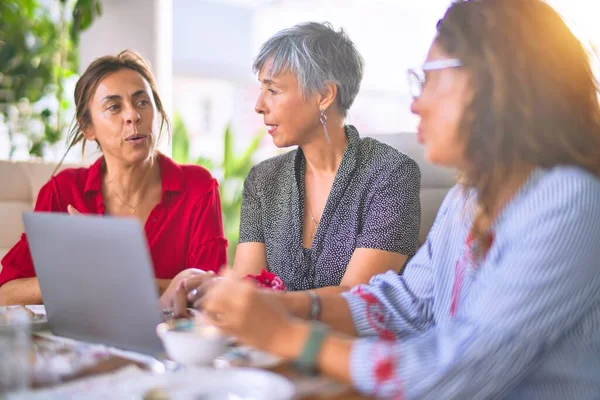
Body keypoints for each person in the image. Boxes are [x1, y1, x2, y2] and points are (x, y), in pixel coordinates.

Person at [179, 1, 600, 398]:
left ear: (494, 84)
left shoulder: (568, 200)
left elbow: (452, 371)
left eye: (429, 78)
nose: (415, 103)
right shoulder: (467, 198)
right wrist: (287, 304)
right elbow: (406, 301)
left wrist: (286, 335)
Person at [165, 22, 421, 300]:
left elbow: (355, 301)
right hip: (266, 342)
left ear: (324, 95)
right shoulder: (263, 180)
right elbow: (247, 288)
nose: (259, 105)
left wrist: (259, 304)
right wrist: (197, 285)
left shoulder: (391, 174)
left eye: (273, 90)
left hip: (353, 343)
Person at [0, 50, 227, 306]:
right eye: (113, 107)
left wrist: (112, 276)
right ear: (87, 127)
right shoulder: (62, 192)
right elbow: (5, 292)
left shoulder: (197, 187)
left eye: (142, 102)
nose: (133, 115)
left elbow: (211, 293)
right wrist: (74, 277)